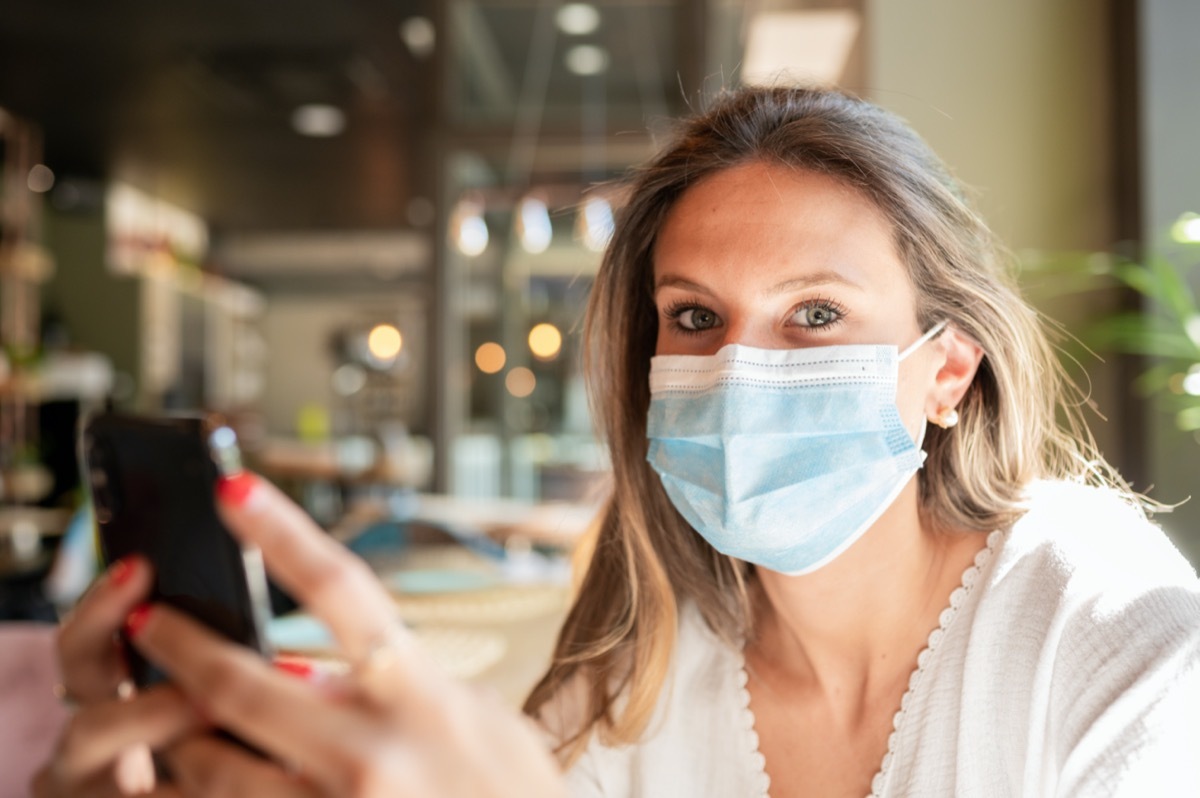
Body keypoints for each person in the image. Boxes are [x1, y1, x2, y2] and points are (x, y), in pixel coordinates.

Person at [35, 85, 1200, 798]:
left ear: (948, 370)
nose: (741, 370)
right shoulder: (643, 662)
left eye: (817, 315)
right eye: (695, 317)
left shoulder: (1108, 634)